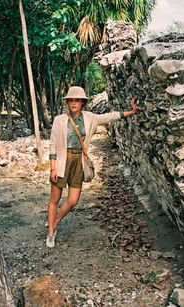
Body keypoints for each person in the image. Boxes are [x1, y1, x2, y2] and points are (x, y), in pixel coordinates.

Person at [46, 85, 137, 248]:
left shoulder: (90, 118)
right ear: (67, 102)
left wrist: (130, 112)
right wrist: (52, 168)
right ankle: (51, 232)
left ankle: (55, 221)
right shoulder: (59, 120)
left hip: (79, 161)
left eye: (77, 100)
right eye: (71, 100)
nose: (74, 103)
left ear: (82, 102)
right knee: (55, 199)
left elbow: (110, 116)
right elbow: (52, 145)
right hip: (61, 161)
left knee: (73, 200)